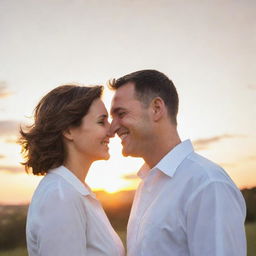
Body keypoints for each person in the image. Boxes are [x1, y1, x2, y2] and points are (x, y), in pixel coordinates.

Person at [109, 70, 246, 256]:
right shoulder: (145, 185)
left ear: (156, 109)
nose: (112, 127)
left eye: (121, 113)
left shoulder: (207, 185)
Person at [20, 84, 125, 256]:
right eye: (101, 121)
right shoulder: (60, 196)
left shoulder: (74, 190)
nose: (112, 130)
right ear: (69, 131)